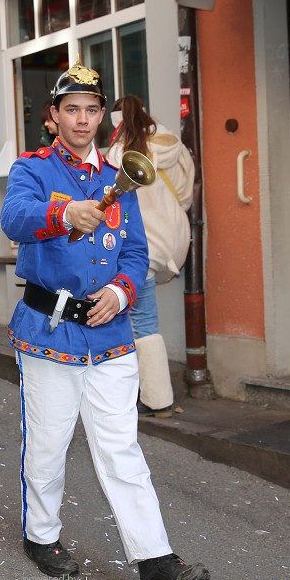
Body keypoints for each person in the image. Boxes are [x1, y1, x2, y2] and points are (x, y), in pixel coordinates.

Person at [0, 63, 209, 580]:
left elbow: (135, 251)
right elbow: (14, 219)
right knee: (47, 446)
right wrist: (65, 214)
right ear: (53, 117)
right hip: (48, 334)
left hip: (111, 335)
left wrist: (121, 292)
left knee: (122, 449)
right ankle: (41, 535)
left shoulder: (120, 177)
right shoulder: (33, 168)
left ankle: (155, 561)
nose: (82, 119)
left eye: (92, 109)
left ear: (101, 116)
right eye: (72, 109)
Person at [104, 95, 193, 417]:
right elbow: (185, 196)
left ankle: (156, 399)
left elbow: (114, 203)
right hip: (173, 239)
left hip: (138, 247)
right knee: (143, 320)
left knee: (137, 321)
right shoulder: (173, 145)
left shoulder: (118, 154)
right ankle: (153, 395)